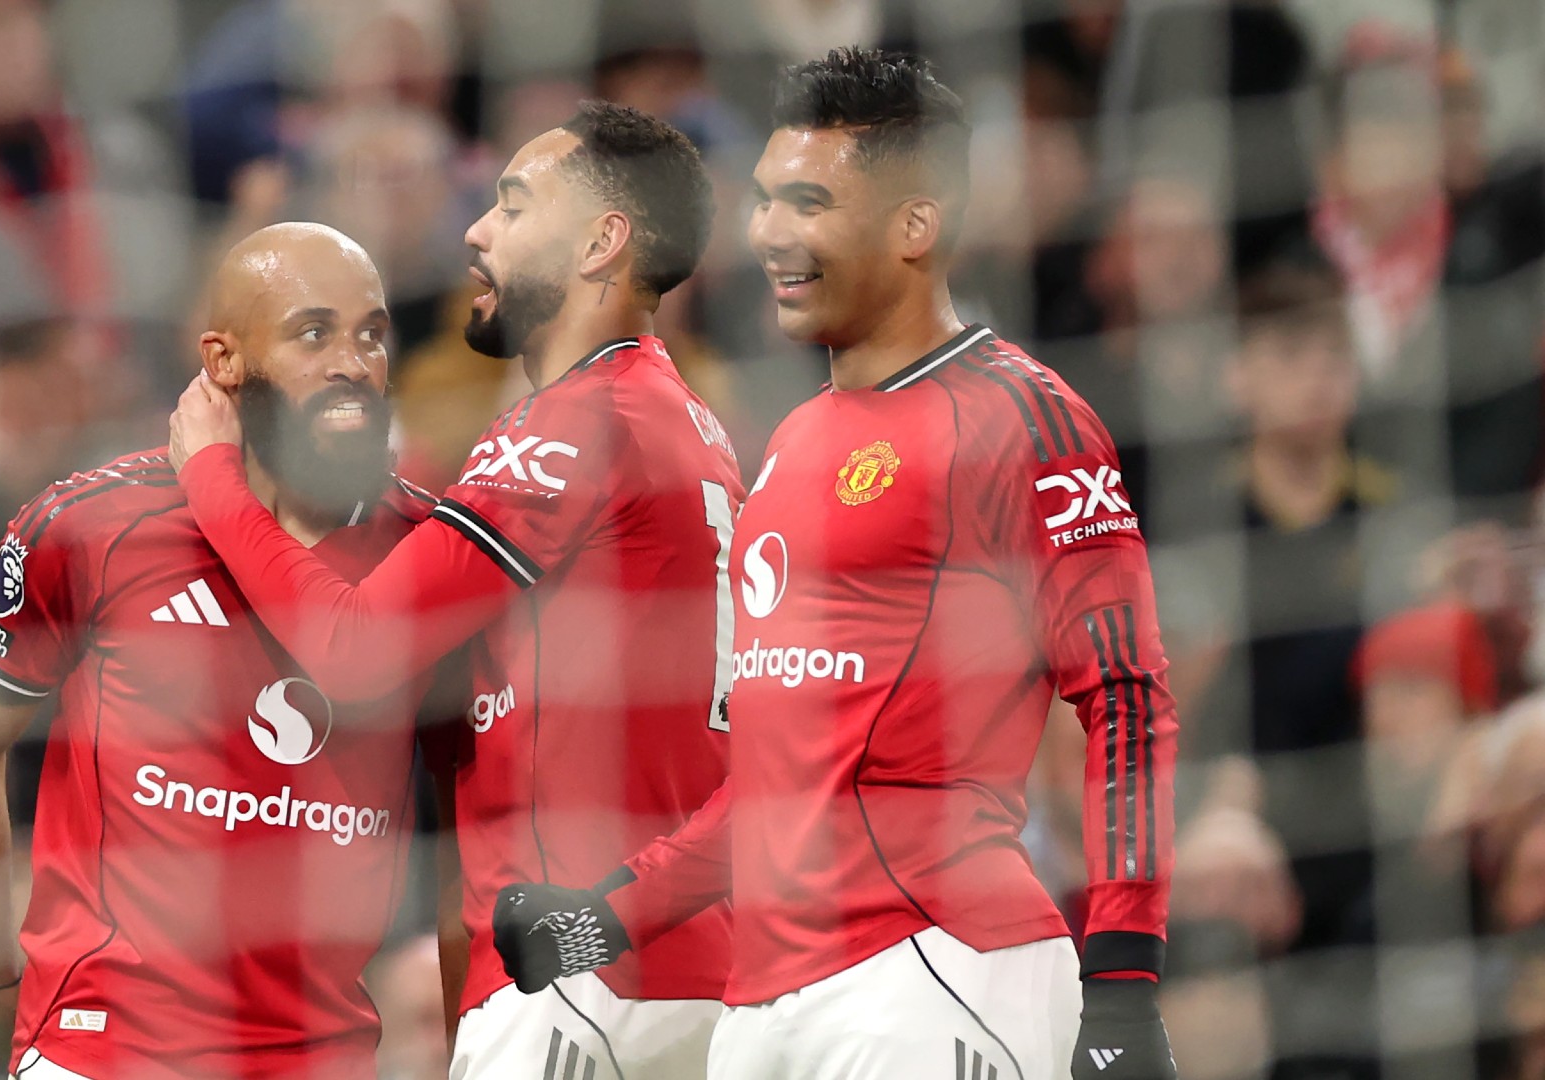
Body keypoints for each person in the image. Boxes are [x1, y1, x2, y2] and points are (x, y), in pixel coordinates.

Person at [490, 49, 1182, 1080]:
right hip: (762, 1006)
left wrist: (1123, 974)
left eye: (808, 203)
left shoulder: (1022, 416)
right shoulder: (794, 442)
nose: (769, 231)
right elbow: (779, 782)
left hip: (934, 965)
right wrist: (609, 916)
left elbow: (1126, 696)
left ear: (916, 225)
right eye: (766, 198)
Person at [166, 101, 738, 1079]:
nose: (475, 230)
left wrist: (211, 475)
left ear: (601, 243)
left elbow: (354, 652)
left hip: (577, 973)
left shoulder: (573, 424)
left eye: (512, 207)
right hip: (687, 965)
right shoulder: (691, 424)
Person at [0, 223, 449, 1080]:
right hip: (103, 1048)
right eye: (314, 334)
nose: (353, 363)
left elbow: (474, 820)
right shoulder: (92, 526)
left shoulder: (428, 548)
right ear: (223, 360)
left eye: (371, 335)